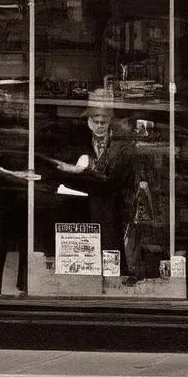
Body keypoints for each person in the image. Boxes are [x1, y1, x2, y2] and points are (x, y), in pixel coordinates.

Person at [50, 87, 137, 278]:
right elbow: (65, 165)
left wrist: (88, 166)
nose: (99, 126)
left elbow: (115, 178)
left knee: (110, 251)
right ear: (89, 121)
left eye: (103, 122)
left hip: (110, 208)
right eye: (95, 121)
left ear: (110, 122)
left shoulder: (121, 143)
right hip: (81, 207)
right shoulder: (78, 138)